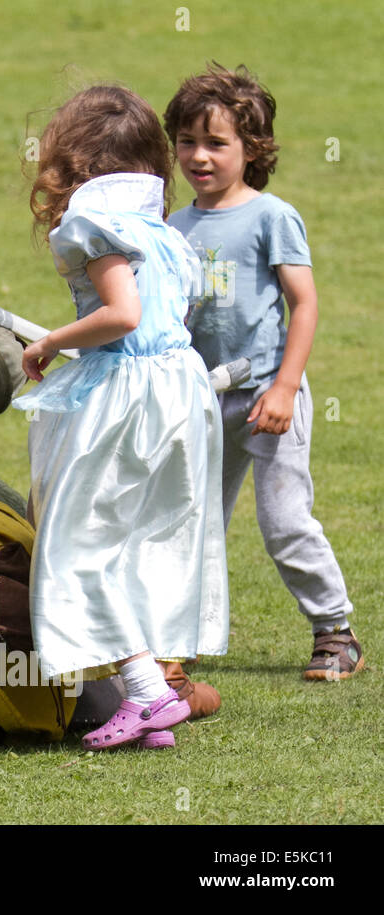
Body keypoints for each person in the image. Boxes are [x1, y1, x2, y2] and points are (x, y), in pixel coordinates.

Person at [13, 86, 229, 751]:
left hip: (125, 401)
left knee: (81, 541)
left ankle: (146, 691)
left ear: (76, 163)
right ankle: (151, 716)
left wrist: (52, 340)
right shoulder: (164, 233)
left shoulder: (94, 224)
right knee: (137, 543)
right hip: (181, 395)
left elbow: (123, 315)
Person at [164, 65, 362, 681]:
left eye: (217, 143)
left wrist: (283, 387)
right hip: (203, 401)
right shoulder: (172, 227)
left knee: (284, 522)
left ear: (253, 150)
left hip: (267, 397)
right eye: (188, 141)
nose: (199, 156)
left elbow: (303, 304)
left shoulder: (272, 216)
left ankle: (335, 632)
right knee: (190, 520)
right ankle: (182, 638)